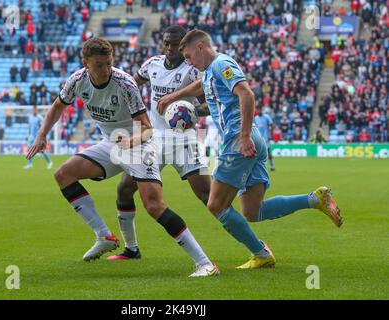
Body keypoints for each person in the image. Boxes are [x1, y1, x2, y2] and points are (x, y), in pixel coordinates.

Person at [26, 37, 219, 277]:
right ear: (85, 63)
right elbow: (57, 106)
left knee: (154, 205)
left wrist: (130, 142)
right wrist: (41, 135)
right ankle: (103, 235)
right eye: (99, 65)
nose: (106, 70)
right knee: (64, 174)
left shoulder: (124, 83)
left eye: (109, 63)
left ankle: (205, 264)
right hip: (112, 142)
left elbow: (147, 128)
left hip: (139, 144)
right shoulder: (77, 80)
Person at [157, 30, 343, 269]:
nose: (189, 62)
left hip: (238, 140)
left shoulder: (221, 64)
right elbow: (198, 88)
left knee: (215, 205)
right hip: (251, 139)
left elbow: (246, 93)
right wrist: (176, 97)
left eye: (190, 56)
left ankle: (261, 253)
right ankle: (314, 199)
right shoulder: (209, 73)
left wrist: (243, 137)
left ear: (201, 47)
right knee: (254, 211)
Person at [107, 25, 211, 261]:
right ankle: (131, 249)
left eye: (175, 44)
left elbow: (209, 105)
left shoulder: (193, 70)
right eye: (166, 43)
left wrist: (191, 110)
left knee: (209, 198)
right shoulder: (152, 64)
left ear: (184, 45)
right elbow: (130, 85)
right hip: (152, 137)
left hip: (185, 138)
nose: (170, 48)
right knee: (124, 188)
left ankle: (255, 246)